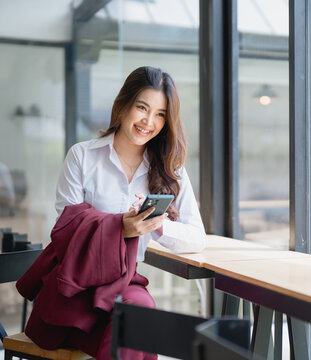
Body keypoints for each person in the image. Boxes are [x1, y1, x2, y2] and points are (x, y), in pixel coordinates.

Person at [54, 66, 206, 358]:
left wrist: (157, 225)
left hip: (125, 282)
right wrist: (121, 228)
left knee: (138, 316)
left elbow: (197, 238)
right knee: (137, 325)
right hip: (76, 280)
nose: (149, 121)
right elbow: (65, 228)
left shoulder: (170, 169)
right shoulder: (82, 156)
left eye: (161, 114)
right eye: (142, 108)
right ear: (123, 105)